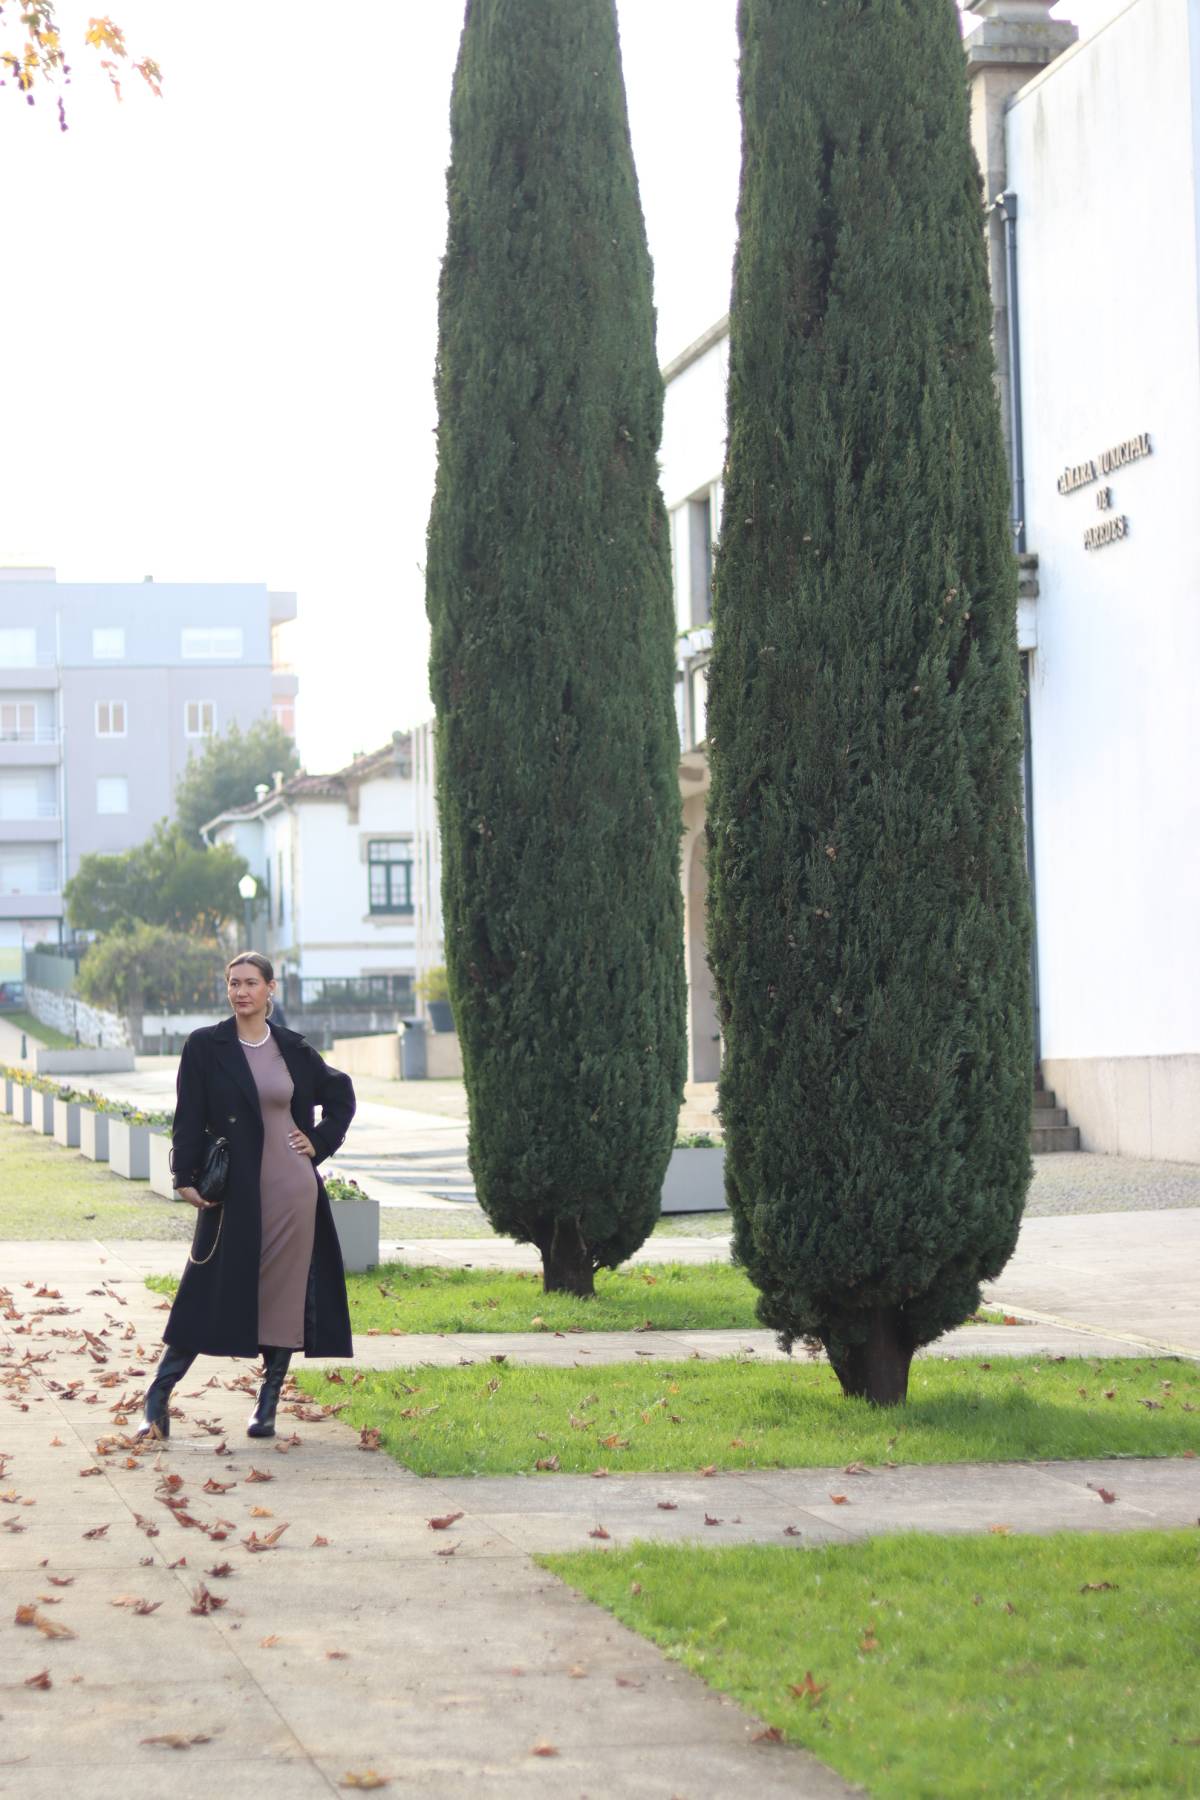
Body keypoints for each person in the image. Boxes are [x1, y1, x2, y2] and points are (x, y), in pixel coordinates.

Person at [137, 950, 356, 1443]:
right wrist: (183, 1174)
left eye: (250, 983)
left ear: (270, 989)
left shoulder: (294, 1050)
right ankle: (158, 1395)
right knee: (206, 1287)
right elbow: (188, 1116)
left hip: (292, 1192)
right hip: (234, 1192)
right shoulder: (205, 1046)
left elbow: (341, 1094)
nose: (240, 992)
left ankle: (268, 1403)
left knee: (283, 1296)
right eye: (233, 983)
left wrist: (318, 1142)